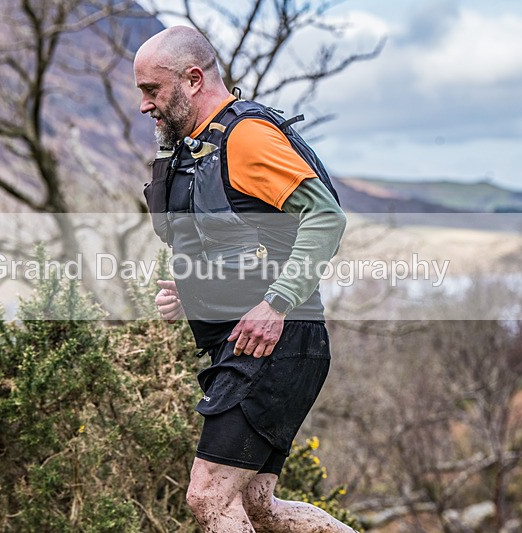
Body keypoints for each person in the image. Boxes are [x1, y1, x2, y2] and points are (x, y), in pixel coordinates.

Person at [134, 26, 352, 532]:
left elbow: (326, 218)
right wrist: (194, 292)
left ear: (192, 79)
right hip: (256, 345)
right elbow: (240, 240)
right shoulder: (198, 147)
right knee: (258, 507)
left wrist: (276, 303)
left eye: (152, 90)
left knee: (207, 497)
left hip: (275, 343)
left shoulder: (247, 137)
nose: (145, 105)